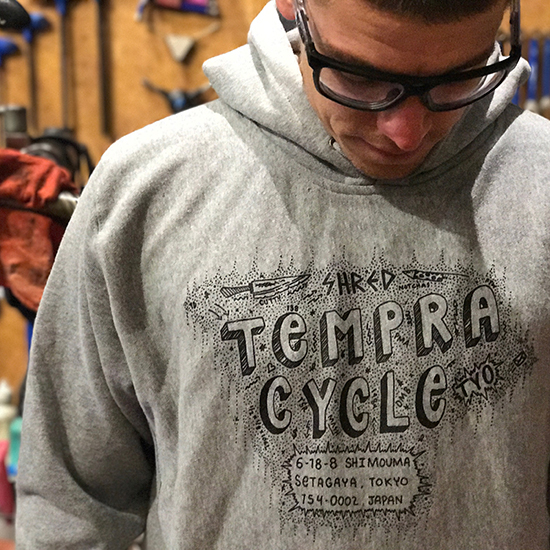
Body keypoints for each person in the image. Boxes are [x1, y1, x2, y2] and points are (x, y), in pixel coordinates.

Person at [14, 0, 550, 547]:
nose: (405, 132)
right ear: (299, 11)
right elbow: (71, 505)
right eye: (360, 77)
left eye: (459, 77)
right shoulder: (144, 191)